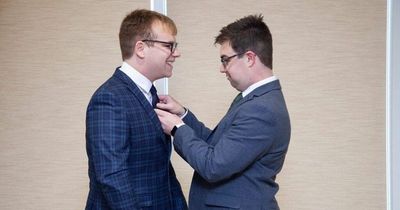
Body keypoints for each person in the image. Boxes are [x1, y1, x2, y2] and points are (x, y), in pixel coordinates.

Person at [155, 14, 291, 210]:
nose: (222, 68)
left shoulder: (261, 109)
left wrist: (177, 129)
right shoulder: (254, 99)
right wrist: (183, 114)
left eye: (226, 60)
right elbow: (218, 148)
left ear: (250, 58)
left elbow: (213, 165)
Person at [85, 9, 187, 210]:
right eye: (169, 46)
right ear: (141, 48)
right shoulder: (109, 98)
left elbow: (161, 170)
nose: (176, 53)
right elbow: (112, 177)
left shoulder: (151, 94)